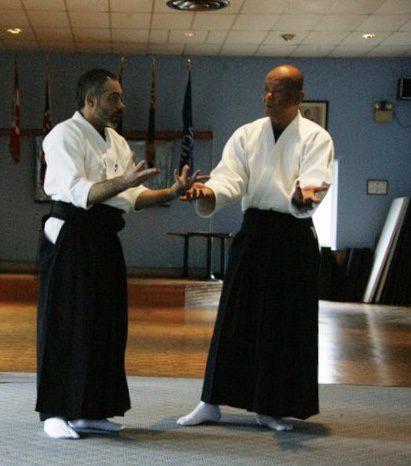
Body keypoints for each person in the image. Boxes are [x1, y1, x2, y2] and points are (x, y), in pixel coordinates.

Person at [36, 68, 202, 439]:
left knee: (106, 325)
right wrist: (123, 181)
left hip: (105, 238)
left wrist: (171, 193)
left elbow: (131, 198)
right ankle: (55, 412)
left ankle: (91, 411)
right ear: (90, 99)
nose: (121, 105)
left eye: (121, 97)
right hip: (71, 236)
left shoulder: (117, 142)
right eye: (114, 97)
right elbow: (81, 192)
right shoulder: (63, 135)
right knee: (66, 324)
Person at [177, 64, 334, 432]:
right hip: (255, 232)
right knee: (233, 319)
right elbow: (229, 178)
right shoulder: (247, 134)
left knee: (283, 324)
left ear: (298, 97)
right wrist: (208, 192)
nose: (268, 97)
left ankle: (270, 406)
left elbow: (314, 182)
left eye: (278, 91)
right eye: (265, 89)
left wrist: (304, 196)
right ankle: (210, 402)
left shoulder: (316, 137)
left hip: (293, 235)